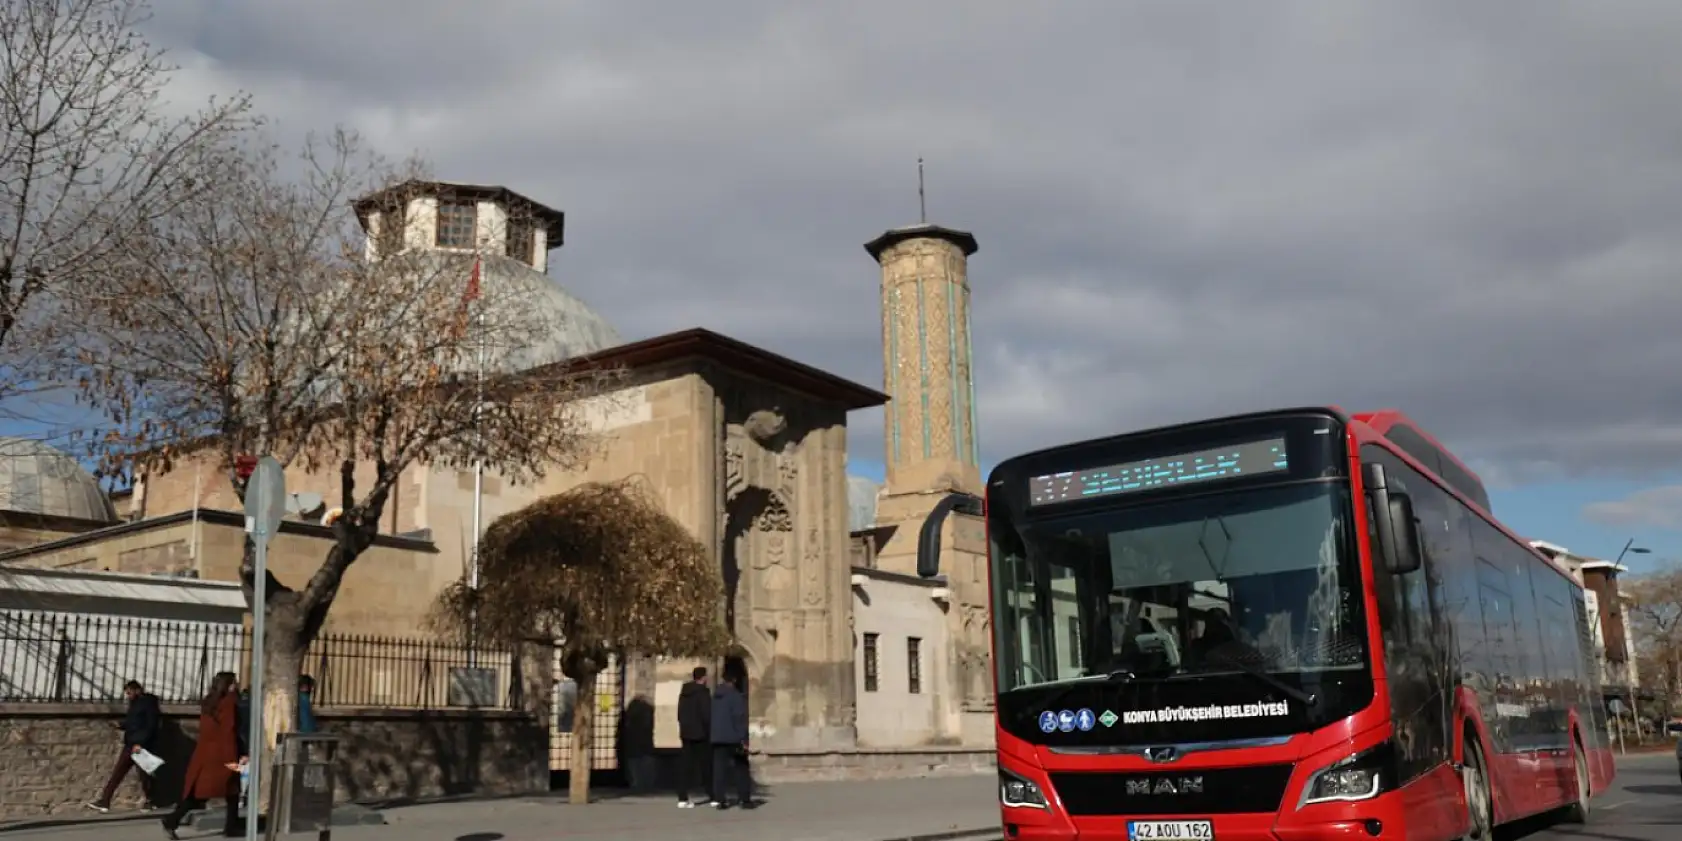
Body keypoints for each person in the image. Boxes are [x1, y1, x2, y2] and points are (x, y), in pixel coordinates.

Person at [162, 672, 245, 839]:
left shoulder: (209, 702)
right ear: (228, 685)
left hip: (205, 753)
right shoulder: (229, 703)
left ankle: (173, 819)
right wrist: (235, 757)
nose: (236, 685)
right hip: (223, 753)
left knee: (210, 792)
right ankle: (172, 820)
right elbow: (228, 731)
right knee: (228, 790)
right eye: (234, 682)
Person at [86, 680, 161, 813]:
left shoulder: (148, 703)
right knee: (119, 772)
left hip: (139, 745)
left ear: (137, 690)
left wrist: (140, 742)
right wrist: (121, 724)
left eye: (130, 692)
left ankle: (151, 800)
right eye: (127, 693)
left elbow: (151, 725)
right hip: (131, 743)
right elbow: (133, 722)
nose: (128, 695)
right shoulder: (134, 704)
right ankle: (105, 801)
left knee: (144, 775)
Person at [708, 672, 754, 810]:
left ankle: (720, 799)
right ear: (734, 679)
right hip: (733, 737)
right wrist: (744, 739)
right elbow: (739, 719)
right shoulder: (735, 696)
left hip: (717, 737)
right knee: (741, 768)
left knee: (719, 770)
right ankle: (744, 799)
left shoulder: (715, 697)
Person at [675, 666, 712, 808]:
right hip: (701, 734)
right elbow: (706, 714)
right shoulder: (703, 693)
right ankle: (713, 795)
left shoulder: (684, 693)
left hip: (686, 733)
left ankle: (682, 798)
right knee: (706, 765)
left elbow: (679, 713)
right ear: (703, 678)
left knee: (685, 766)